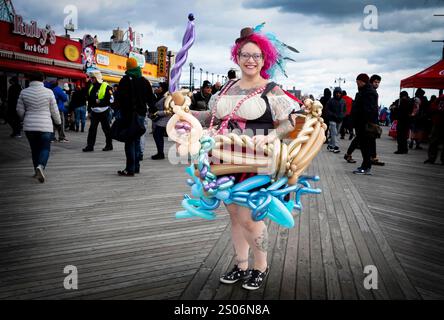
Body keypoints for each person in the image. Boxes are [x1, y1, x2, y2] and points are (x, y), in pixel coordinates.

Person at [210, 27, 300, 290]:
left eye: (256, 56)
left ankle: (261, 266)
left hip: (255, 160)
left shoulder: (272, 89)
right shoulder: (227, 87)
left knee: (251, 217)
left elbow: (290, 122)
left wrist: (272, 136)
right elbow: (213, 117)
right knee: (235, 215)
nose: (250, 60)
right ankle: (241, 264)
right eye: (245, 55)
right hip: (223, 157)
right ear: (236, 57)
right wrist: (183, 113)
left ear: (265, 59)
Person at [16, 72, 61, 183]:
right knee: (45, 148)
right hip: (45, 125)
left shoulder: (24, 92)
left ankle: (36, 170)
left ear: (30, 79)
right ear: (42, 80)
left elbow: (19, 111)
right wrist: (58, 122)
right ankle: (40, 166)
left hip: (29, 126)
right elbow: (54, 111)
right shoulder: (49, 92)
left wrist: (23, 118)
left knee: (34, 149)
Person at [116, 57, 156, 176]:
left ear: (127, 67)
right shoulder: (144, 81)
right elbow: (151, 99)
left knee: (129, 141)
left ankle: (130, 168)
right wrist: (153, 111)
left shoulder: (124, 81)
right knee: (137, 139)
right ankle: (136, 166)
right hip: (141, 115)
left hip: (128, 115)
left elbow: (119, 99)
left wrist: (117, 110)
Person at [351, 73, 378, 175]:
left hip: (365, 124)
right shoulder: (365, 91)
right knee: (363, 146)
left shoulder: (368, 92)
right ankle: (365, 165)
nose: (357, 84)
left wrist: (363, 121)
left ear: (362, 82)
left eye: (358, 82)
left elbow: (369, 110)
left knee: (365, 146)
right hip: (362, 123)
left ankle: (366, 167)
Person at [82, 70, 114, 152]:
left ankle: (109, 145)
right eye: (91, 78)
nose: (91, 80)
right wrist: (89, 111)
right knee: (92, 129)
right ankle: (90, 146)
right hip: (94, 112)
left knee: (106, 129)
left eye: (93, 78)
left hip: (104, 111)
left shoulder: (106, 86)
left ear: (97, 78)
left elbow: (111, 100)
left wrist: (100, 101)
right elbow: (89, 100)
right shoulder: (91, 87)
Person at [150, 82, 171, 160]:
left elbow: (169, 110)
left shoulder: (167, 97)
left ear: (163, 88)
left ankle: (160, 153)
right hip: (158, 119)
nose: (157, 88)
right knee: (157, 135)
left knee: (157, 135)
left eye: (159, 87)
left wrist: (157, 113)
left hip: (164, 119)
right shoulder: (159, 96)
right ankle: (160, 152)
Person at [368, 74, 384, 166]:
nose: (377, 84)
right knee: (370, 139)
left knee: (371, 139)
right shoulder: (371, 92)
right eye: (375, 82)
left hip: (372, 119)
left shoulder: (372, 91)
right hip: (371, 120)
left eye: (378, 82)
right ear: (371, 82)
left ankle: (373, 157)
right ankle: (372, 157)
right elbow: (372, 107)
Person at [424, 94, 444, 164]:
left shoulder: (440, 99)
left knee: (433, 141)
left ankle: (431, 158)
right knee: (433, 141)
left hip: (438, 122)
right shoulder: (440, 99)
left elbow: (432, 107)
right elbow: (433, 107)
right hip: (438, 122)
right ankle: (432, 158)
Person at [326, 87, 345, 153]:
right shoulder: (330, 100)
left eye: (339, 93)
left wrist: (342, 116)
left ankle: (330, 145)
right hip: (332, 120)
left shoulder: (343, 101)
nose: (338, 94)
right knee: (334, 133)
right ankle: (335, 146)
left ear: (341, 93)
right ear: (334, 93)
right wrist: (333, 115)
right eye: (337, 93)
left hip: (340, 120)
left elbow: (344, 110)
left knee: (336, 134)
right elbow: (327, 110)